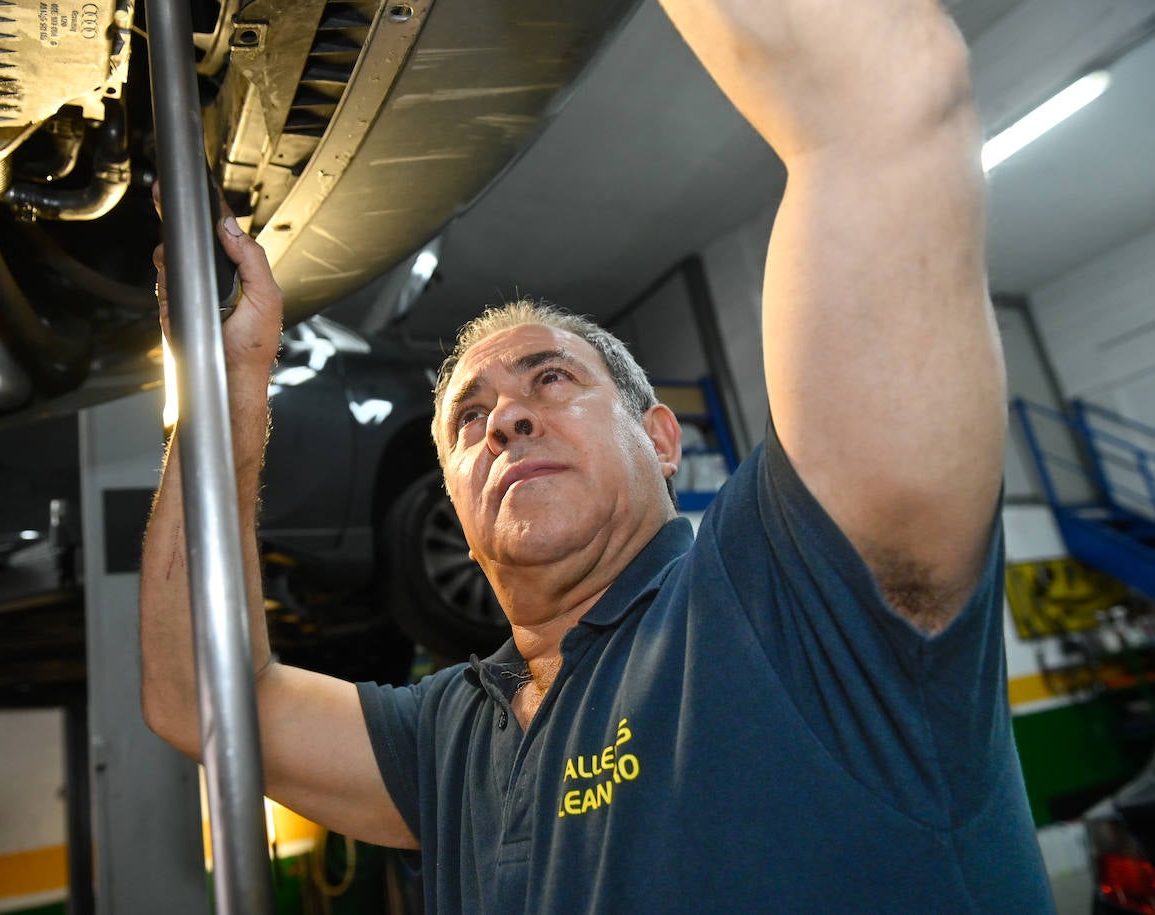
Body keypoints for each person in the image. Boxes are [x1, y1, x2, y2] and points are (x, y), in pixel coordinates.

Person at [141, 0, 1054, 911]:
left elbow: (889, 98)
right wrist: (225, 397)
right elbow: (198, 695)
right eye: (469, 419)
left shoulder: (796, 593)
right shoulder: (448, 742)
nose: (505, 421)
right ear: (456, 507)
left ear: (662, 437)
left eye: (549, 380)